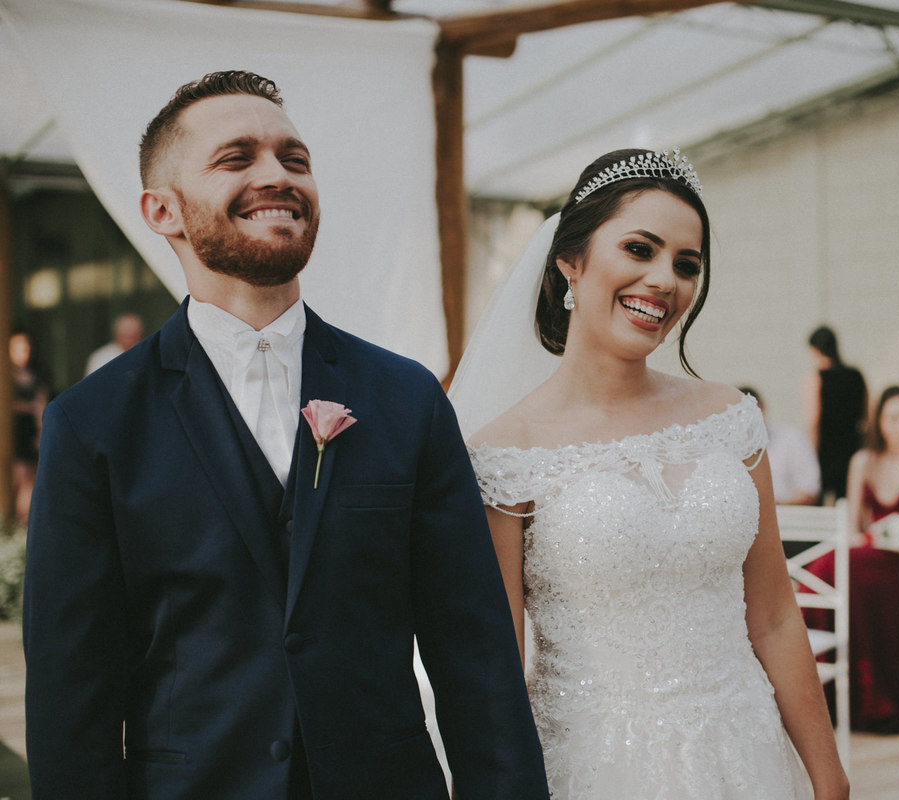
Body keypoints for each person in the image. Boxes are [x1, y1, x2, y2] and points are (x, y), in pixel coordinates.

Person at [22, 71, 548, 800]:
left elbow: (475, 653)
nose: (277, 175)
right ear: (162, 211)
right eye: (237, 158)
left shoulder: (406, 398)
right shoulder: (91, 422)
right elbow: (70, 689)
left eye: (293, 159)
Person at [448, 148, 848, 800]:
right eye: (641, 249)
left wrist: (829, 778)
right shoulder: (505, 452)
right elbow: (498, 664)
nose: (665, 279)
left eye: (686, 265)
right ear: (569, 261)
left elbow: (774, 616)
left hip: (748, 759)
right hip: (596, 770)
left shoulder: (730, 418)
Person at [805, 385, 899, 733]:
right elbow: (853, 527)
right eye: (893, 418)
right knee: (836, 565)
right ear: (879, 422)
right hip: (872, 555)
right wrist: (873, 539)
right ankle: (826, 690)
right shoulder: (864, 461)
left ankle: (871, 697)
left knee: (836, 567)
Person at [801, 325, 867, 501]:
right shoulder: (856, 376)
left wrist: (810, 456)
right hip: (852, 448)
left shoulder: (816, 378)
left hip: (826, 452)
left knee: (819, 503)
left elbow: (813, 422)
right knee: (849, 501)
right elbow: (867, 417)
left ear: (815, 350)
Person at [741, 385, 822, 505]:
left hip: (787, 518)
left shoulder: (792, 440)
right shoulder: (723, 447)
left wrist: (772, 507)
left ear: (761, 408)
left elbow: (809, 491)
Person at [10, 329, 50, 522]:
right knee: (17, 477)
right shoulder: (6, 376)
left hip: (29, 431)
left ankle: (22, 525)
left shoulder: (36, 373)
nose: (23, 352)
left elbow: (41, 402)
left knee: (29, 478)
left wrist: (41, 431)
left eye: (25, 347)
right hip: (11, 433)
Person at [84, 312, 145, 377]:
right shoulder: (101, 357)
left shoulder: (148, 354)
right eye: (125, 335)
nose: (129, 340)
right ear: (116, 334)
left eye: (133, 336)